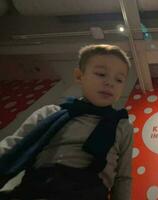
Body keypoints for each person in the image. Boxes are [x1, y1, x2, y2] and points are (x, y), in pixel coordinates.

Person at [0, 44, 134, 200]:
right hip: (36, 187)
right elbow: (12, 145)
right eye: (101, 74)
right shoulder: (51, 112)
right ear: (79, 76)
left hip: (90, 192)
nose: (110, 83)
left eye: (119, 80)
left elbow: (123, 177)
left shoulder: (122, 126)